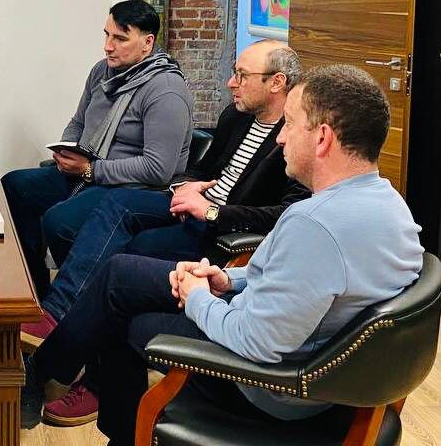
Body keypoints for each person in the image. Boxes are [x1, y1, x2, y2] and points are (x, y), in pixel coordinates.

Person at [21, 64, 423, 443]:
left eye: (290, 124)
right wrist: (228, 279)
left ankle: (71, 401)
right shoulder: (389, 204)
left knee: (123, 318)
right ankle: (42, 373)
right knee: (120, 273)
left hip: (270, 386)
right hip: (307, 356)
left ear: (322, 138)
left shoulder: (314, 224)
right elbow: (310, 279)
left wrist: (197, 297)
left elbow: (256, 342)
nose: (280, 138)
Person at [24, 40, 310, 426]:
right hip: (196, 206)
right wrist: (189, 186)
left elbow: (284, 215)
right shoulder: (236, 116)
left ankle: (86, 380)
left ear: (277, 82)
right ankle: (59, 318)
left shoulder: (293, 142)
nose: (231, 82)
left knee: (122, 260)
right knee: (116, 207)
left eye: (242, 75)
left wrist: (213, 211)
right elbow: (207, 169)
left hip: (223, 233)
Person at [2, 0, 194, 299]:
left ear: (147, 43)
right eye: (106, 35)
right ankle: (34, 291)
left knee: (59, 221)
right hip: (87, 170)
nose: (108, 46)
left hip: (130, 185)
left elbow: (158, 169)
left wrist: (91, 170)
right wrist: (67, 149)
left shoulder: (166, 90)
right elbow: (78, 122)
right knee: (15, 186)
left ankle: (82, 300)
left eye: (120, 38)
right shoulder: (101, 72)